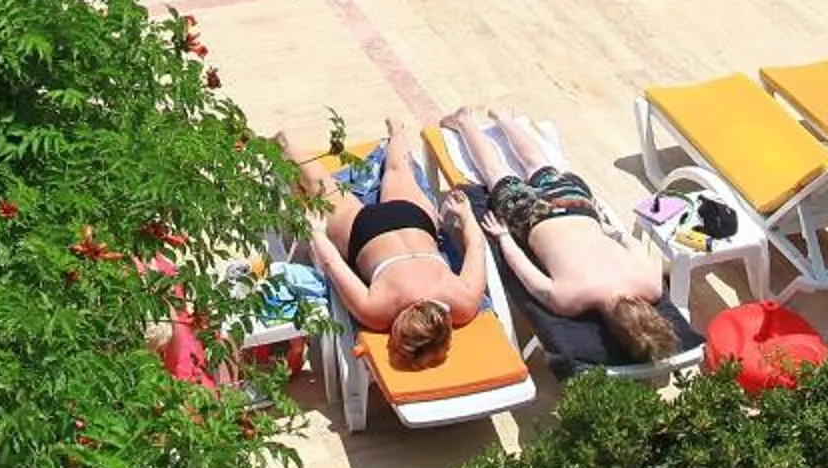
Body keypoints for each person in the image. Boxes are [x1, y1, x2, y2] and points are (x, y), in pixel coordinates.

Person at [450, 106, 678, 364]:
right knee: (496, 173)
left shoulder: (652, 283)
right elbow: (522, 269)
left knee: (539, 164)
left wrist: (608, 228)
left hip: (576, 206)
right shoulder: (570, 299)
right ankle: (465, 121)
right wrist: (503, 236)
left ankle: (505, 119)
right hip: (532, 217)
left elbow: (631, 242)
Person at [286, 122, 489, 371]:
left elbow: (476, 248)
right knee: (322, 185)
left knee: (397, 169)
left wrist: (465, 215)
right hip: (366, 233)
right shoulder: (378, 314)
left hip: (415, 221)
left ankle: (396, 132)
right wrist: (317, 232)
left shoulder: (464, 303)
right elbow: (332, 264)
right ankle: (285, 143)